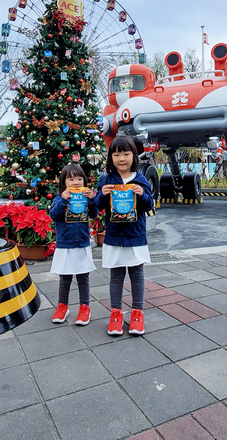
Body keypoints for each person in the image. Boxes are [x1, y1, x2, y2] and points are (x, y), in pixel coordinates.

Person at [94, 135, 154, 336]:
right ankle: (116, 313)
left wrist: (142, 195)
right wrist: (101, 194)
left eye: (126, 154)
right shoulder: (106, 181)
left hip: (135, 236)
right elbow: (96, 207)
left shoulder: (141, 179)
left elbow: (149, 205)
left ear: (133, 156)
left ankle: (138, 313)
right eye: (116, 154)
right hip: (113, 237)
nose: (121, 159)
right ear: (111, 157)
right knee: (116, 275)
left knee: (137, 274)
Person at [48, 164, 97, 325]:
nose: (76, 182)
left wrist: (92, 199)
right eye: (71, 179)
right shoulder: (59, 199)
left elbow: (94, 213)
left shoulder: (85, 196)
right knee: (65, 277)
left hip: (82, 243)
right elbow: (54, 215)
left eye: (79, 178)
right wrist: (63, 199)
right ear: (64, 182)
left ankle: (84, 307)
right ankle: (63, 306)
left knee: (83, 277)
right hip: (65, 244)